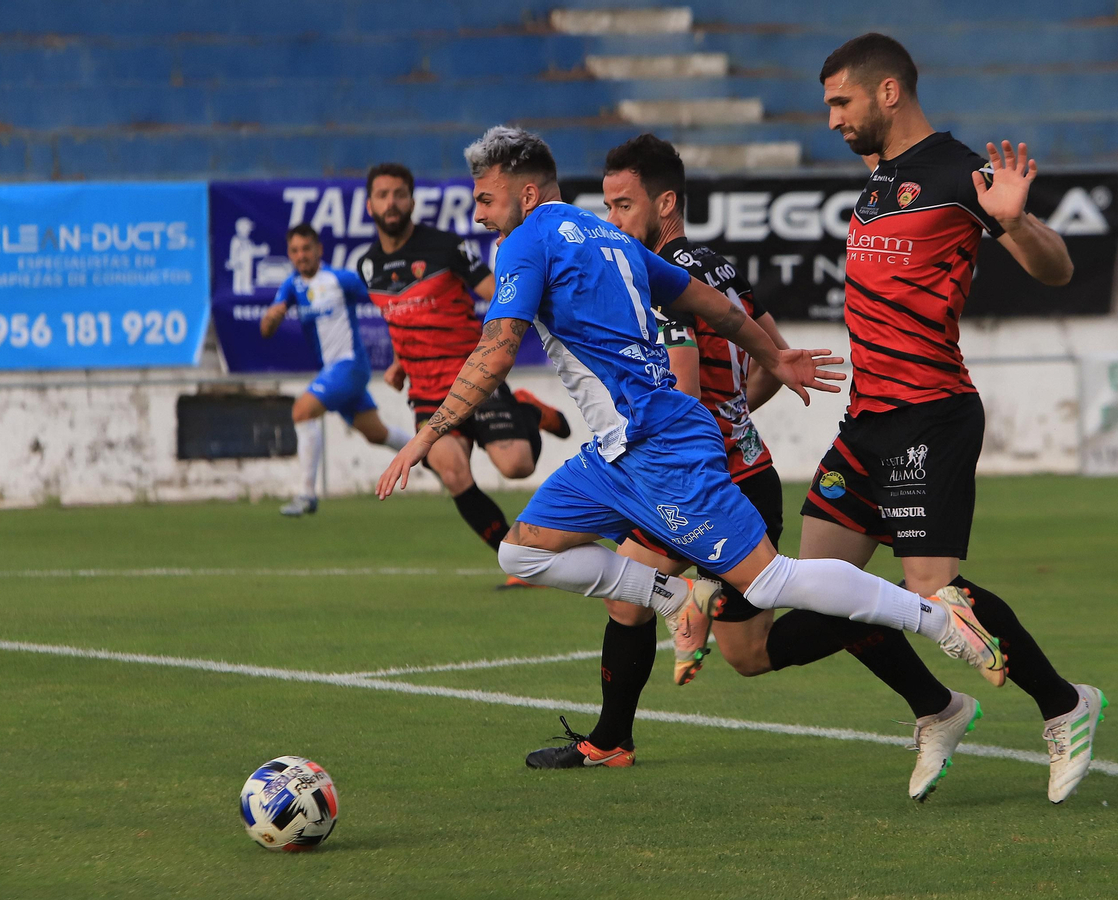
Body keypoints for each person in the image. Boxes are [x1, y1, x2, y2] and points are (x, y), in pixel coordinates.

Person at [376, 125, 1011, 779]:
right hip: (616, 452)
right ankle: (671, 600)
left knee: (770, 580)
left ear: (526, 192)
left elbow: (497, 347)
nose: (479, 215)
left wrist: (424, 437)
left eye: (484, 199)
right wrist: (776, 356)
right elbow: (714, 306)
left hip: (661, 443)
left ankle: (934, 618)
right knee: (522, 550)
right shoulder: (604, 237)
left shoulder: (527, 242)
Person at [810, 32, 1105, 803]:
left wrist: (1012, 222)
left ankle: (1065, 704)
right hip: (866, 420)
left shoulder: (957, 171)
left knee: (936, 590)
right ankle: (936, 709)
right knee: (823, 589)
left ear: (888, 93)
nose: (832, 119)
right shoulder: (878, 183)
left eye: (841, 102)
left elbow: (1058, 268)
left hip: (930, 413)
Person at [357, 163, 571, 564]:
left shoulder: (445, 247)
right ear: (370, 205)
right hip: (425, 390)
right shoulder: (367, 266)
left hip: (472, 376)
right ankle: (516, 560)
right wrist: (401, 363)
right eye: (383, 195)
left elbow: (499, 291)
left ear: (411, 200)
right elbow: (400, 319)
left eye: (399, 194)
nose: (392, 202)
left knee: (516, 467)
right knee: (453, 474)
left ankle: (526, 409)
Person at [260, 223, 411, 516]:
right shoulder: (291, 286)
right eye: (295, 251)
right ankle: (436, 455)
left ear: (319, 250)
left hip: (350, 366)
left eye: (306, 249)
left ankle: (306, 495)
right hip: (333, 370)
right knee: (376, 433)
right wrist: (272, 317)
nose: (301, 256)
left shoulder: (339, 279)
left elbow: (386, 301)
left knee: (302, 411)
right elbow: (266, 330)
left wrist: (399, 349)